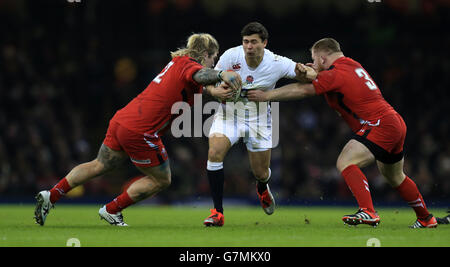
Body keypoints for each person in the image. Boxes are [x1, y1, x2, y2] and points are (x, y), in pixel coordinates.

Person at [34, 33, 242, 226]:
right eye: (213, 57)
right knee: (162, 179)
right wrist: (222, 74)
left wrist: (215, 91)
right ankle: (112, 210)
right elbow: (201, 75)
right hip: (141, 131)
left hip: (123, 121)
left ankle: (51, 195)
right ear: (205, 54)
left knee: (98, 165)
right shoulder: (190, 66)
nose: (213, 62)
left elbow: (198, 84)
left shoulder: (177, 63)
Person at [247, 38, 438, 228]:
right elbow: (322, 79)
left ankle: (368, 211)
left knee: (346, 161)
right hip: (393, 122)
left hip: (379, 124)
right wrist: (314, 72)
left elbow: (304, 90)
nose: (312, 64)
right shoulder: (351, 65)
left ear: (322, 59)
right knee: (395, 177)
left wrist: (267, 96)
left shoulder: (335, 74)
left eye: (314, 60)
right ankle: (426, 218)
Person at [203, 22, 305, 227]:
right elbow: (208, 79)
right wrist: (215, 91)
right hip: (228, 116)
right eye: (245, 42)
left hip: (259, 120)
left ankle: (262, 187)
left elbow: (305, 77)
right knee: (214, 153)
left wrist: (308, 71)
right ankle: (217, 213)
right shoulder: (231, 56)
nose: (248, 46)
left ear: (264, 43)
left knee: (261, 172)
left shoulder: (276, 62)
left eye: (253, 42)